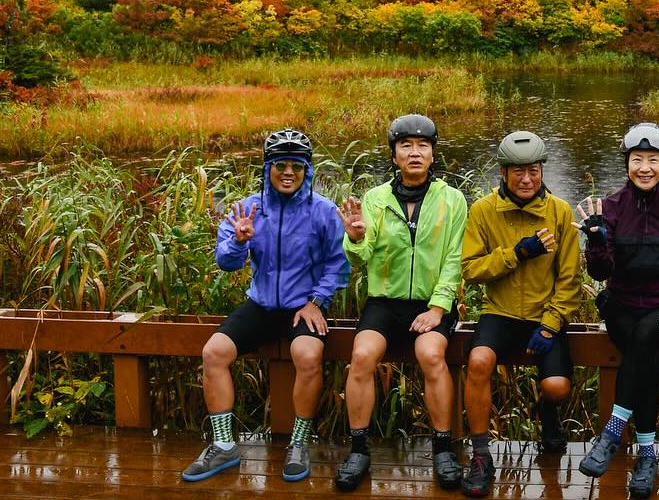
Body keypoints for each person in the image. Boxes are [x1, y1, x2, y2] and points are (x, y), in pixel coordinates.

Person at [181, 128, 349, 484]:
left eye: (296, 167)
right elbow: (226, 262)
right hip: (259, 304)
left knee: (307, 356)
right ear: (267, 169)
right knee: (213, 353)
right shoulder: (247, 209)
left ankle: (299, 443)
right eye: (280, 165)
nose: (288, 173)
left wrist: (317, 301)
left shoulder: (323, 212)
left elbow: (338, 264)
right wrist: (240, 242)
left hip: (302, 306)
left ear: (307, 171)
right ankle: (224, 445)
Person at [334, 114, 469, 492]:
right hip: (384, 301)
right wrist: (356, 238)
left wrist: (438, 308)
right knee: (361, 357)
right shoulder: (375, 199)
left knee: (431, 355)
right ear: (394, 155)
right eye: (406, 146)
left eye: (423, 146)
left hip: (431, 302)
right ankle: (358, 449)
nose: (415, 152)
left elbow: (454, 259)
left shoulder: (452, 199)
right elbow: (360, 260)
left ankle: (442, 448)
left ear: (432, 154)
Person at [574, 122, 659, 499]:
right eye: (637, 160)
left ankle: (613, 432)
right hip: (623, 305)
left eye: (653, 160)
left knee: (646, 338)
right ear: (626, 163)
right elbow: (601, 273)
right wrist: (597, 240)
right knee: (643, 357)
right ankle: (646, 456)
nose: (644, 168)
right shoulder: (610, 207)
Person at [458, 130, 581, 499]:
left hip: (544, 313)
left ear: (542, 170)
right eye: (518, 173)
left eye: (533, 171)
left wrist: (550, 325)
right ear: (503, 173)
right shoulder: (483, 210)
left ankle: (546, 412)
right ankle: (481, 456)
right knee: (478, 361)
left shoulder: (559, 211)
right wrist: (517, 253)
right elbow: (471, 269)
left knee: (557, 387)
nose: (526, 180)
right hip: (501, 312)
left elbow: (570, 277)